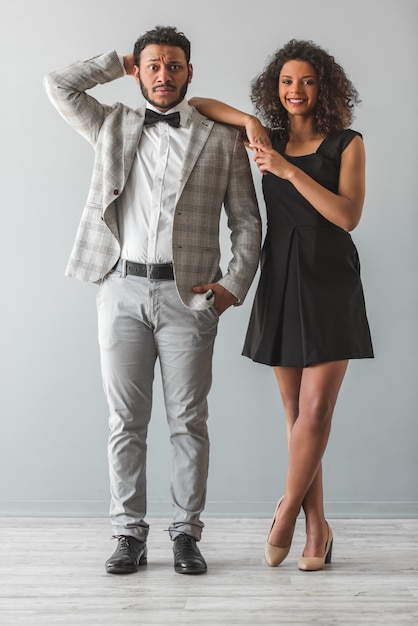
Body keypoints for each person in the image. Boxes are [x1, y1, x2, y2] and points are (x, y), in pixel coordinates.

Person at [44, 26, 261, 575]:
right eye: (153, 66)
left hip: (189, 296)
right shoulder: (110, 123)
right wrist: (117, 62)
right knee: (125, 420)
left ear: (191, 72)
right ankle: (128, 535)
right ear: (139, 71)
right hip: (120, 288)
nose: (164, 76)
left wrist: (231, 287)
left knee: (189, 420)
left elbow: (247, 224)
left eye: (174, 66)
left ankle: (187, 534)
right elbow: (59, 84)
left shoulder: (220, 137)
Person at [191, 39, 373, 571]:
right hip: (281, 277)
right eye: (287, 81)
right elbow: (199, 104)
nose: (297, 90)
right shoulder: (264, 139)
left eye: (308, 81)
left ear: (325, 88)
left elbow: (347, 217)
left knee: (315, 412)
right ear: (277, 88)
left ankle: (286, 512)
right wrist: (249, 121)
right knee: (296, 417)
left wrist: (288, 170)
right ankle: (319, 528)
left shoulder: (347, 142)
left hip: (330, 279)